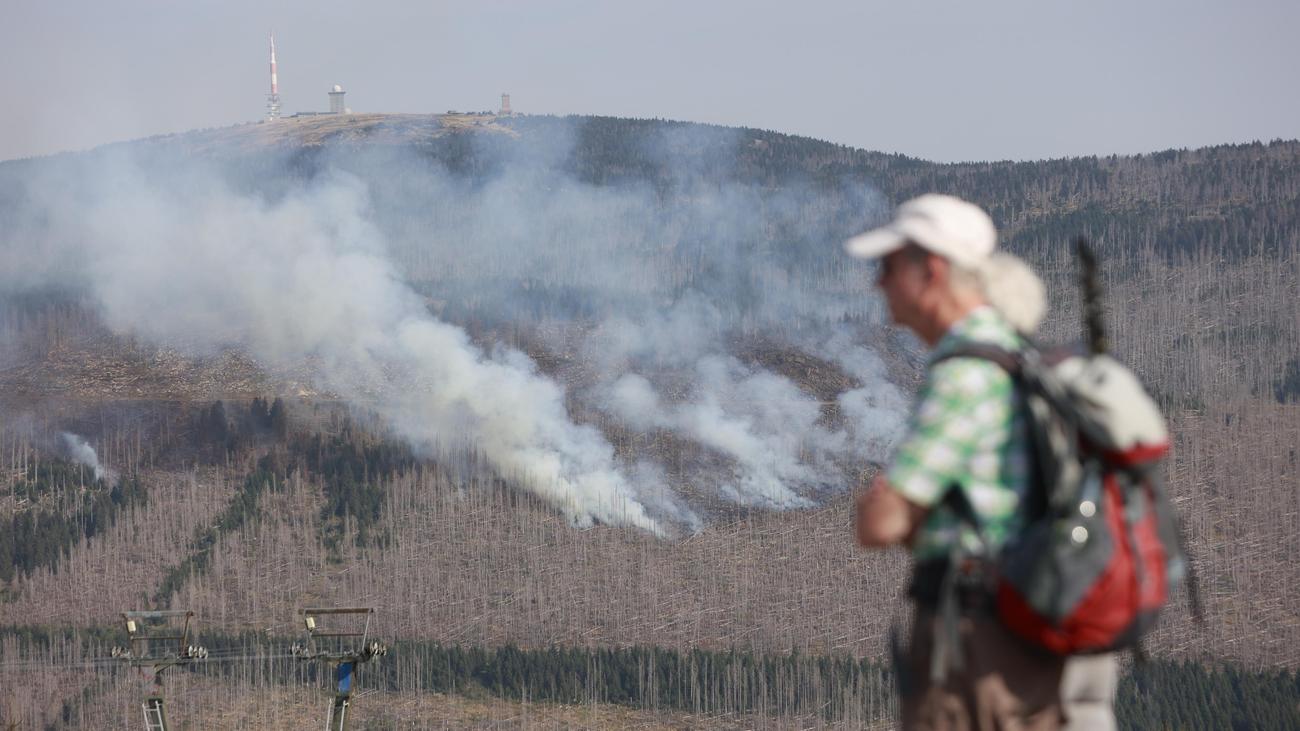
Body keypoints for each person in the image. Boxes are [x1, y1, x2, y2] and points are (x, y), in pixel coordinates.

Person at [846, 194, 1066, 731]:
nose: (878, 284)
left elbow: (880, 523)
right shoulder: (1016, 354)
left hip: (975, 640)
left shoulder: (964, 373)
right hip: (1020, 629)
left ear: (933, 271)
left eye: (889, 266)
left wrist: (889, 507)